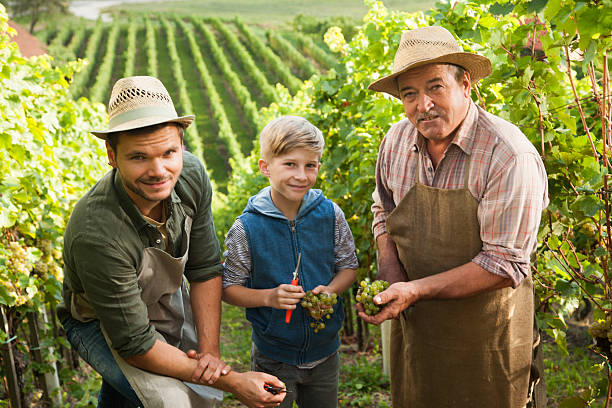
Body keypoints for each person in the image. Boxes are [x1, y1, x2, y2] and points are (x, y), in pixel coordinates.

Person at [58, 76, 285, 408]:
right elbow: (136, 343)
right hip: (100, 321)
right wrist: (232, 380)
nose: (158, 170)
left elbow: (205, 269)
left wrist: (210, 355)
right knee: (173, 401)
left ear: (182, 146)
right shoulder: (96, 233)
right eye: (139, 157)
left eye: (169, 152)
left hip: (162, 299)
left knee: (193, 391)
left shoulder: (191, 176)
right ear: (111, 154)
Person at [357, 26, 549, 407]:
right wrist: (391, 269)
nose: (422, 105)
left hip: (488, 341)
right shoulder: (395, 142)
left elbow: (504, 263)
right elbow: (384, 210)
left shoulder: (508, 155)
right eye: (409, 94)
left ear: (465, 85)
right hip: (418, 330)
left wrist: (413, 290)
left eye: (435, 87)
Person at [222, 116, 358, 408]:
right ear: (265, 168)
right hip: (273, 357)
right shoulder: (247, 228)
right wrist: (269, 297)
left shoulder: (330, 215)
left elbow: (348, 267)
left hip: (325, 354)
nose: (301, 175)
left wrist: (331, 290)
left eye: (310, 165)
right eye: (290, 164)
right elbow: (229, 288)